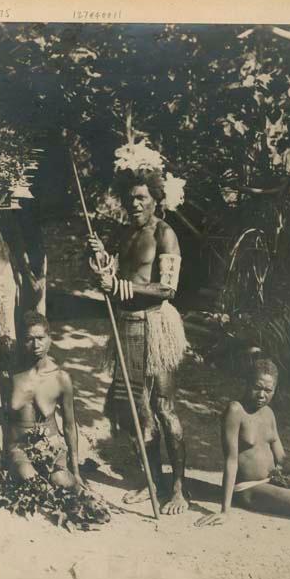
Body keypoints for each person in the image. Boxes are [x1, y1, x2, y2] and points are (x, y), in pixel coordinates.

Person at [88, 169, 189, 514]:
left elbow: (167, 288)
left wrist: (121, 288)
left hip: (156, 325)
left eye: (141, 198)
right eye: (130, 198)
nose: (134, 204)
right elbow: (114, 277)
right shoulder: (124, 233)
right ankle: (152, 481)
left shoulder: (166, 234)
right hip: (126, 324)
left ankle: (178, 489)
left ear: (156, 199)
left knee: (163, 408)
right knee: (133, 409)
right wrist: (103, 260)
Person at [196, 358, 290, 525]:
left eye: (268, 390)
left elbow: (282, 460)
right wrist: (224, 510)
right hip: (248, 487)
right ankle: (248, 499)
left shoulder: (268, 413)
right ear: (247, 383)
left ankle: (283, 491)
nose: (262, 395)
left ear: (274, 390)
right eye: (257, 388)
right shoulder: (235, 411)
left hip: (273, 479)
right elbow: (231, 460)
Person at [4, 311, 85, 491]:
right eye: (29, 339)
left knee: (64, 483)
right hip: (20, 449)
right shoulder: (14, 372)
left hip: (51, 447)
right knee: (34, 483)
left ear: (50, 338)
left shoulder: (61, 378)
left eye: (40, 338)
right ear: (22, 341)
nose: (36, 345)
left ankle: (63, 476)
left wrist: (76, 471)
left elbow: (70, 426)